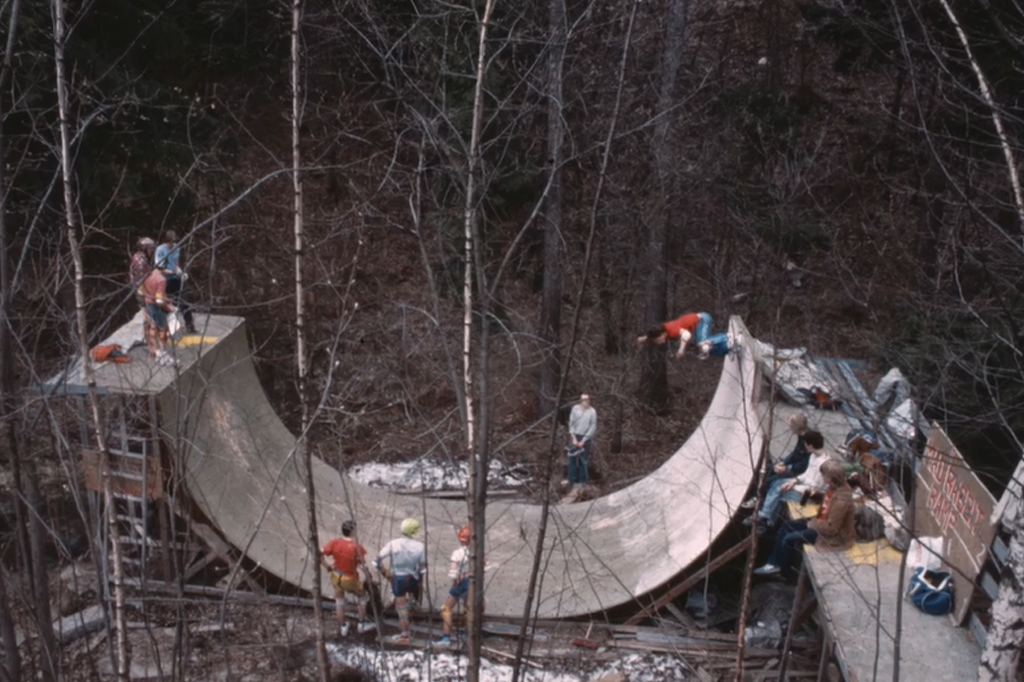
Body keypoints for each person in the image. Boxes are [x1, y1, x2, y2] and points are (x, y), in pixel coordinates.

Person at [754, 460, 857, 580]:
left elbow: (832, 529)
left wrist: (812, 524)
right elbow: (826, 507)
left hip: (831, 536)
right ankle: (773, 563)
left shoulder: (841, 500)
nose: (822, 478)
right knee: (787, 525)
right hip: (820, 523)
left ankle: (786, 573)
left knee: (789, 539)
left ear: (830, 478)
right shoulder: (833, 489)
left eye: (824, 475)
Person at [744, 429, 829, 535]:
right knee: (777, 483)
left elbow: (814, 486)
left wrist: (793, 487)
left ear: (810, 446)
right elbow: (806, 475)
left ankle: (763, 518)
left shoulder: (823, 464)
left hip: (809, 494)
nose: (805, 447)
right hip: (803, 486)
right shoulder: (813, 456)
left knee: (779, 490)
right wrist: (794, 481)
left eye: (806, 444)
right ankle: (768, 521)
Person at [434, 525, 487, 648]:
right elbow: (485, 569)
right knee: (469, 609)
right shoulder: (478, 552)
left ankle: (446, 638)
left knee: (447, 608)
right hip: (473, 583)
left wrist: (456, 579)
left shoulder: (457, 553)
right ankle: (466, 634)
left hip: (461, 583)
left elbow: (453, 573)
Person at [375, 518, 426, 643]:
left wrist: (386, 574)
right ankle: (413, 602)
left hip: (398, 579)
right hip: (412, 578)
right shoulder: (420, 546)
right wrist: (419, 582)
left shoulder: (393, 544)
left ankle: (405, 634)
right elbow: (422, 568)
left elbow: (376, 561)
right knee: (408, 596)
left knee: (401, 610)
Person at [320, 520, 374, 636]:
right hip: (350, 579)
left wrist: (326, 566)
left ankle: (343, 627)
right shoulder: (356, 547)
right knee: (363, 598)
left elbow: (319, 553)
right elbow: (362, 564)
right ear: (352, 531)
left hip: (336, 576)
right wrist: (368, 575)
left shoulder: (335, 542)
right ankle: (361, 624)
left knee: (339, 601)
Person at [636, 312, 731, 359]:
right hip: (699, 322)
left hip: (702, 319)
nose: (659, 342)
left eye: (658, 340)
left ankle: (727, 337)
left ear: (663, 334)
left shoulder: (672, 330)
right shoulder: (662, 330)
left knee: (702, 344)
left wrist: (681, 350)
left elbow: (686, 335)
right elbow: (652, 334)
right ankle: (727, 348)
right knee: (706, 350)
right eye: (657, 342)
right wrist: (643, 339)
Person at [155, 230, 196, 334]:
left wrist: (179, 271)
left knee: (184, 302)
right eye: (170, 242)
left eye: (173, 242)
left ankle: (190, 325)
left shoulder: (176, 248)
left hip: (175, 278)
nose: (171, 245)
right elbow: (158, 267)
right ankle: (164, 329)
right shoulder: (160, 250)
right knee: (165, 304)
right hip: (165, 280)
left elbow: (176, 263)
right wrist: (167, 272)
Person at [141, 268, 176, 363]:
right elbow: (159, 300)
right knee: (163, 329)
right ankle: (162, 354)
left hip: (148, 304)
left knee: (153, 328)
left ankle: (156, 352)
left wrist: (167, 299)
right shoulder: (161, 280)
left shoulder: (147, 276)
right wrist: (168, 307)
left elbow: (141, 292)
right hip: (156, 307)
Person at [566, 394, 597, 487]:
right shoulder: (575, 409)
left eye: (587, 399)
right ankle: (571, 481)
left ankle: (583, 482)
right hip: (575, 436)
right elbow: (571, 423)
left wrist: (584, 440)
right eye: (584, 400)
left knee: (584, 460)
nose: (586, 401)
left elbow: (593, 426)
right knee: (572, 459)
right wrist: (573, 438)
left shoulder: (592, 411)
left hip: (586, 437)